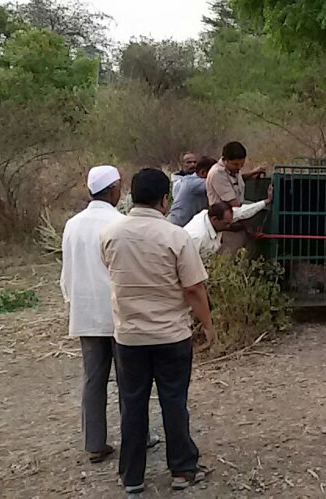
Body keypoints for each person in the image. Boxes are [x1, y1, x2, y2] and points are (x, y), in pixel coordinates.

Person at [101, 168, 215, 494]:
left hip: (129, 338)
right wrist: (208, 326)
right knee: (174, 401)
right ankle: (182, 469)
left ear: (131, 196)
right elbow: (193, 288)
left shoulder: (110, 234)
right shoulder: (175, 236)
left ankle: (132, 476)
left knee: (133, 404)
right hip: (171, 336)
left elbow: (111, 272)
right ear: (165, 199)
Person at [60, 165, 126, 464]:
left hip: (85, 313)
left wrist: (72, 302)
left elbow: (66, 273)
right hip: (118, 313)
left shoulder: (72, 224)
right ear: (114, 189)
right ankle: (137, 435)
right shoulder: (120, 222)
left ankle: (94, 443)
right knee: (129, 381)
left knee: (93, 380)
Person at [207, 141, 268, 254]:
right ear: (225, 160)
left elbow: (237, 180)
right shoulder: (217, 174)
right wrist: (249, 228)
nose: (239, 168)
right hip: (226, 225)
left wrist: (252, 173)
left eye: (241, 164)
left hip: (238, 221)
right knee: (228, 257)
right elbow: (234, 204)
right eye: (236, 164)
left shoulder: (232, 170)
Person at [184, 194, 273, 262]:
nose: (229, 226)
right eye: (226, 224)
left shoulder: (216, 216)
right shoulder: (197, 236)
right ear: (215, 219)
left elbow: (243, 212)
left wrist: (266, 201)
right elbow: (187, 265)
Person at [167, 156, 217, 227]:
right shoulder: (194, 183)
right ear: (203, 172)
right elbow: (217, 183)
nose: (192, 164)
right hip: (178, 226)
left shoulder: (187, 180)